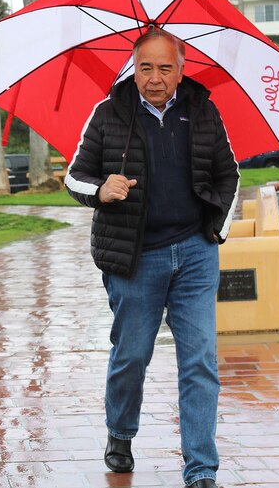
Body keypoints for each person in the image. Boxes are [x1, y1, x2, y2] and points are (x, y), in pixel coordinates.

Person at [64, 28, 239, 488]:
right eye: (146, 67)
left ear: (181, 70)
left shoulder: (202, 110)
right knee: (132, 355)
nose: (155, 77)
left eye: (165, 67)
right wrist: (101, 190)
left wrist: (215, 233)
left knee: (200, 359)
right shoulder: (108, 114)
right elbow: (74, 177)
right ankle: (120, 434)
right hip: (135, 259)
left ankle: (201, 468)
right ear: (133, 68)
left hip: (195, 254)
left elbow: (229, 174)